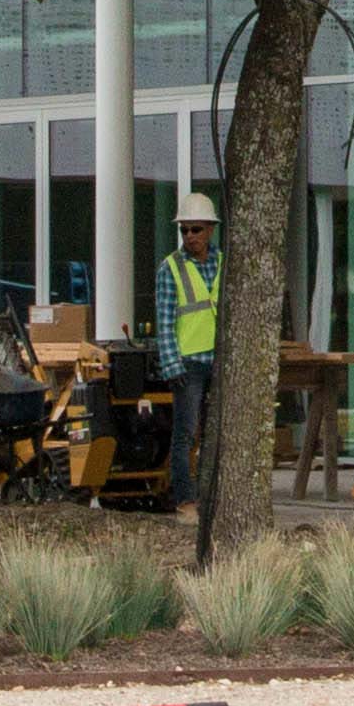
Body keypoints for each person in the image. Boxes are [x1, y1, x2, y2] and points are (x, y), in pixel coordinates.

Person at [151, 192, 223, 504]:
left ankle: (210, 498)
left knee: (215, 434)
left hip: (219, 362)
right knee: (185, 434)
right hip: (189, 363)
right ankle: (185, 500)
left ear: (210, 229)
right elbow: (165, 321)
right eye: (184, 230)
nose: (189, 236)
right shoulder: (171, 268)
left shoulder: (224, 262)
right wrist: (171, 365)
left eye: (195, 229)